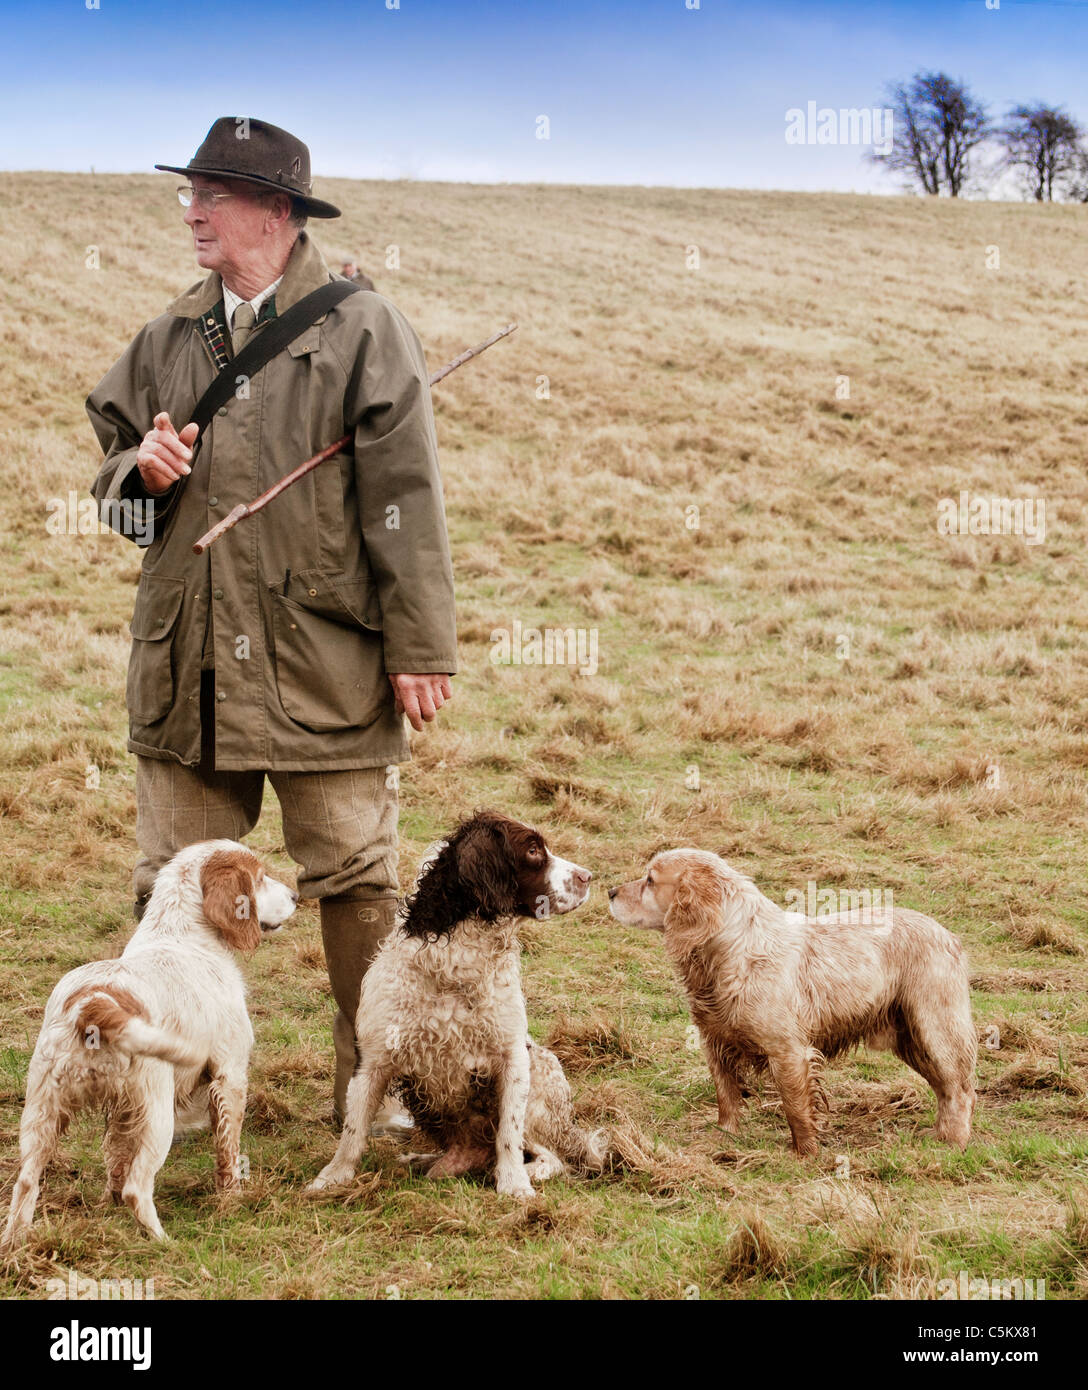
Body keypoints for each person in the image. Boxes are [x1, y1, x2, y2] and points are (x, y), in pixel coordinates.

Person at [86, 117, 458, 1125]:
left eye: (214, 192)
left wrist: (420, 645)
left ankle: (379, 1085)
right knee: (173, 889)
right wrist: (142, 475)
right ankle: (178, 1091)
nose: (193, 210)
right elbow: (114, 495)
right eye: (189, 192)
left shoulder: (365, 329)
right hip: (189, 665)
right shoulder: (166, 338)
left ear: (278, 211)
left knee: (357, 877)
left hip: (320, 657)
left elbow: (404, 497)